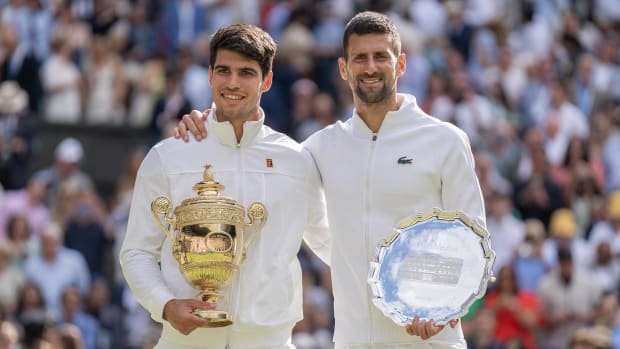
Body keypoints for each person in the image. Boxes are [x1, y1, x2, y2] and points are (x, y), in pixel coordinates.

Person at [176, 11, 485, 347]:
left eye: (381, 56)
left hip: (432, 339)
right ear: (343, 68)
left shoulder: (446, 141)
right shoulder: (320, 147)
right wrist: (210, 126)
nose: (370, 67)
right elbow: (251, 151)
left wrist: (445, 305)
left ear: (401, 65)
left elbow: (473, 238)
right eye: (360, 58)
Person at [119, 24, 329, 349]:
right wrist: (164, 304)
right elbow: (136, 252)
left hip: (269, 341)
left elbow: (330, 245)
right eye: (224, 71)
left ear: (267, 80)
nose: (232, 83)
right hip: (184, 342)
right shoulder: (168, 155)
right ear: (210, 75)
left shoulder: (296, 160)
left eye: (246, 73)